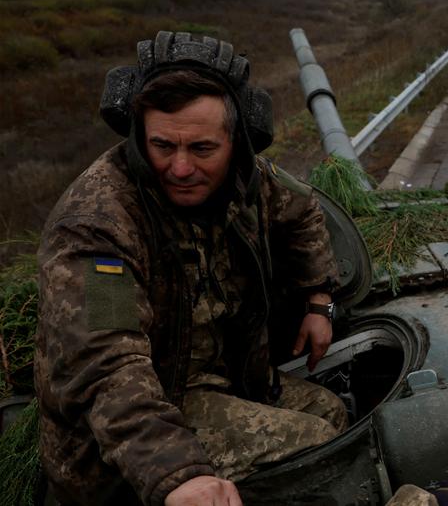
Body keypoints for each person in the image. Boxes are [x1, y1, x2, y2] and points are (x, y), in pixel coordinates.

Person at [34, 31, 350, 506]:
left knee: (335, 415)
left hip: (228, 378)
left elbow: (302, 210)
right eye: (162, 146)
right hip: (134, 429)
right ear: (140, 138)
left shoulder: (249, 177)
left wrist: (318, 299)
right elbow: (105, 368)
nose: (180, 168)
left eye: (202, 149)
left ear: (237, 142)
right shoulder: (97, 227)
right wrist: (179, 475)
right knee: (319, 446)